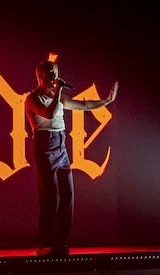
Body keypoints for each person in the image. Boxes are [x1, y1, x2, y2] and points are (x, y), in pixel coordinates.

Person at [25, 60, 118, 256]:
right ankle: (44, 244)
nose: (54, 76)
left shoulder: (56, 96)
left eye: (56, 72)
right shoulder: (33, 98)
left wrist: (106, 101)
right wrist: (58, 91)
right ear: (39, 76)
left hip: (61, 146)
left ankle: (60, 243)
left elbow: (83, 105)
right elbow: (48, 114)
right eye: (50, 73)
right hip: (44, 146)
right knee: (50, 197)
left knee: (67, 195)